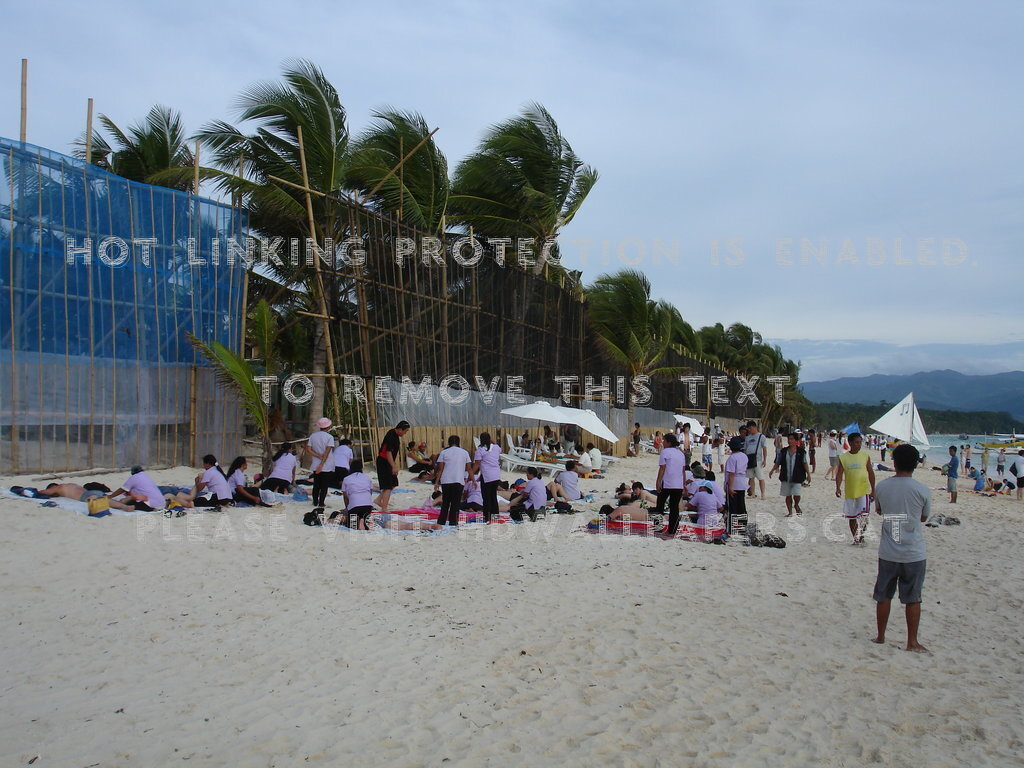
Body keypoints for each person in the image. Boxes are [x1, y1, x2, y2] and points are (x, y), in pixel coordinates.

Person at [871, 444, 931, 653]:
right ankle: (911, 641)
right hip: (913, 551)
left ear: (894, 462)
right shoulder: (922, 490)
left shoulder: (882, 487)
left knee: (884, 595)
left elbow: (879, 510)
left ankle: (880, 636)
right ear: (916, 464)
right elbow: (923, 517)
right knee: (913, 598)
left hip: (888, 550)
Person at [835, 433, 876, 544]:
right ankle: (856, 538)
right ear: (850, 443)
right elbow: (839, 474)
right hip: (850, 491)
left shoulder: (865, 456)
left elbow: (871, 473)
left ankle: (860, 535)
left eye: (860, 442)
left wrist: (873, 490)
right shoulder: (843, 457)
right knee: (852, 517)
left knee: (864, 516)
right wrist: (838, 487)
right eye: (856, 442)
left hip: (864, 491)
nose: (859, 445)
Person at [769, 432, 812, 516]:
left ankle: (796, 504)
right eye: (789, 439)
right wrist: (772, 470)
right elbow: (778, 462)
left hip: (797, 476)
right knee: (787, 495)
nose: (790, 441)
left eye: (792, 439)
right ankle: (790, 512)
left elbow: (805, 463)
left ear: (796, 441)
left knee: (796, 494)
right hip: (786, 476)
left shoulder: (801, 452)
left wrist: (808, 474)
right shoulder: (784, 451)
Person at [434, 435, 472, 527]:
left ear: (449, 442)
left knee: (445, 503)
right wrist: (472, 480)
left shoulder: (444, 452)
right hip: (458, 480)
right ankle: (453, 522)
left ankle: (441, 521)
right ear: (458, 442)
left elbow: (440, 469)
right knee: (455, 504)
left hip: (446, 480)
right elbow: (469, 468)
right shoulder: (464, 453)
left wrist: (436, 482)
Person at [655, 433, 688, 536]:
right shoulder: (680, 453)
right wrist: (684, 484)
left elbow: (662, 468)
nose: (663, 443)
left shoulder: (665, 452)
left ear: (668, 442)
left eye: (664, 441)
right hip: (678, 484)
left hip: (667, 483)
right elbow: (683, 471)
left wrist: (658, 481)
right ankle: (672, 530)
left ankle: (658, 527)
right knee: (674, 508)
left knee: (660, 505)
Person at [375, 420, 410, 513]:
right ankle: (384, 508)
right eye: (405, 431)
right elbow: (388, 452)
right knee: (388, 486)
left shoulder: (394, 435)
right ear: (400, 429)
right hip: (384, 462)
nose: (405, 433)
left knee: (393, 482)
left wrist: (393, 465)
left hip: (387, 461)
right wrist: (393, 466)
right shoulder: (391, 435)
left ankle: (378, 500)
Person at [304, 417, 336, 510]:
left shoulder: (313, 436)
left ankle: (315, 501)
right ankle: (321, 502)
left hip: (315, 463)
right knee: (324, 485)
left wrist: (317, 456)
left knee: (316, 484)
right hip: (326, 464)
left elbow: (308, 449)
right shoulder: (329, 437)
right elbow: (327, 451)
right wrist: (322, 462)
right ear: (328, 426)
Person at [40, 482, 136, 511]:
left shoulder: (58, 488)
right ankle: (122, 502)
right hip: (93, 491)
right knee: (103, 499)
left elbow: (44, 492)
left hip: (85, 495)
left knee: (96, 500)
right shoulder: (70, 484)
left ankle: (124, 506)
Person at [472, 431, 502, 523]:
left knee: (486, 497)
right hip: (496, 475)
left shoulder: (480, 450)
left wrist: (471, 474)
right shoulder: (496, 447)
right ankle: (495, 514)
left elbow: (477, 464)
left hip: (487, 476)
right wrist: (493, 441)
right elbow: (500, 449)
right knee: (493, 496)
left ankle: (487, 516)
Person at [724, 436, 749, 534]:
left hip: (734, 484)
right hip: (742, 483)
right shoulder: (744, 456)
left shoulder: (732, 458)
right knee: (741, 506)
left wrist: (730, 487)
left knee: (732, 508)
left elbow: (731, 474)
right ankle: (742, 526)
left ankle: (732, 528)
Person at [743, 420, 769, 500]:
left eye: (750, 428)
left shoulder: (761, 437)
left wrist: (765, 459)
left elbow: (764, 448)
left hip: (758, 459)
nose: (749, 430)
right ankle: (753, 494)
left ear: (754, 427)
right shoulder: (747, 438)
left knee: (760, 477)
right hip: (749, 459)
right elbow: (745, 449)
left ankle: (763, 494)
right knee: (751, 477)